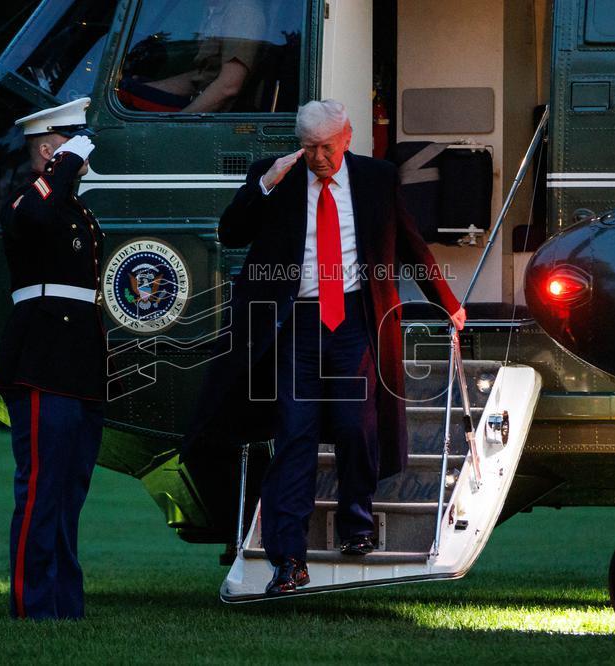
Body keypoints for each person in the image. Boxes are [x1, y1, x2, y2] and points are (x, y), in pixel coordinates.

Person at [181, 99, 466, 595]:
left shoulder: (377, 178)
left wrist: (447, 302)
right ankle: (288, 560)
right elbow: (230, 234)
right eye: (309, 147)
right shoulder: (276, 178)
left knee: (357, 425)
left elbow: (410, 244)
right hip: (297, 324)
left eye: (326, 147)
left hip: (355, 318)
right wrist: (264, 184)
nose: (317, 158)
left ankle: (358, 525)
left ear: (347, 137)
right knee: (294, 435)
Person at [0, 97, 107, 619]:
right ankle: (32, 601)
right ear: (46, 148)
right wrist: (60, 167)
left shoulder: (74, 207)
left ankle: (64, 600)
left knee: (69, 488)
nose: (81, 155)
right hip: (41, 355)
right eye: (70, 144)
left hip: (77, 358)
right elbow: (34, 215)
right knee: (40, 486)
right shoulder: (26, 199)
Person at [118, 0, 268, 113]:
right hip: (197, 101)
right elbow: (201, 76)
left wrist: (180, 121)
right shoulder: (215, 11)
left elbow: (229, 86)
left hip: (219, 116)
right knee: (125, 89)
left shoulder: (243, 12)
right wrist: (147, 86)